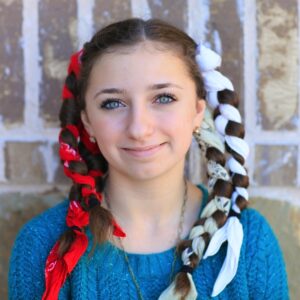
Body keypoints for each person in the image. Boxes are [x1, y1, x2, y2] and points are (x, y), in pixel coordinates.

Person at [9, 18, 289, 300]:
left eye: (164, 98)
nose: (139, 129)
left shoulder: (250, 243)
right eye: (113, 103)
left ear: (196, 111)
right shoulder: (42, 245)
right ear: (88, 123)